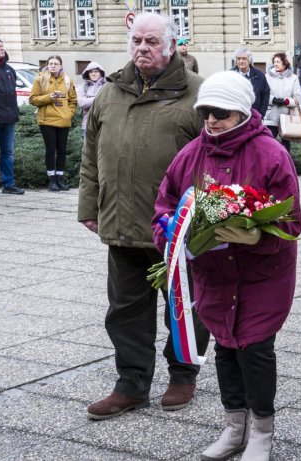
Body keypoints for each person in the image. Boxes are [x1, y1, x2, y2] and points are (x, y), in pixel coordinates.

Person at [152, 71, 301, 461]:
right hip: (214, 275)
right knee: (224, 346)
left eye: (221, 112)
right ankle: (235, 427)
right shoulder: (191, 154)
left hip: (261, 275)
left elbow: (291, 221)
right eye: (206, 113)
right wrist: (171, 236)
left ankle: (262, 433)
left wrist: (254, 233)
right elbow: (165, 206)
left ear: (241, 112)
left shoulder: (271, 154)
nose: (212, 121)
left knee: (254, 348)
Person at [78, 12, 210, 421]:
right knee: (124, 311)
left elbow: (217, 158)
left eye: (152, 41)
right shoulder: (110, 92)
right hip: (121, 224)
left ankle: (183, 374)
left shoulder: (196, 92)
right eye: (137, 40)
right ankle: (131, 385)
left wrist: (209, 220)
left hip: (176, 230)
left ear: (171, 45)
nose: (142, 49)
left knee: (185, 308)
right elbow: (90, 155)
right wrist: (89, 206)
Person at [29, 55, 77, 192]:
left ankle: (60, 178)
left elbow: (73, 100)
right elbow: (32, 99)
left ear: (61, 65)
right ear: (47, 65)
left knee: (62, 150)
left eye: (56, 63)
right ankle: (52, 180)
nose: (53, 66)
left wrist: (69, 113)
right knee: (50, 150)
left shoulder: (67, 80)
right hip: (46, 120)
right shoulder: (40, 79)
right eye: (51, 63)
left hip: (64, 120)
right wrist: (49, 97)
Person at [0, 37, 24, 196]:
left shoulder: (9, 69)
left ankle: (8, 184)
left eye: (3, 46)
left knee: (8, 153)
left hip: (9, 119)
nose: (2, 48)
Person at [264, 52, 301, 154]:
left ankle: (286, 168)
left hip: (287, 117)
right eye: (274, 62)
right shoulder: (267, 77)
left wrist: (287, 101)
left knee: (286, 147)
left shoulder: (293, 78)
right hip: (271, 116)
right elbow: (263, 96)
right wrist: (274, 100)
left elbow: (297, 99)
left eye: (278, 62)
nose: (275, 64)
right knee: (268, 144)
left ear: (285, 63)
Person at [232, 46, 270, 119]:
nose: (241, 61)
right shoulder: (230, 75)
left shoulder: (259, 75)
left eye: (244, 58)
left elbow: (265, 95)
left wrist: (260, 114)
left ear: (249, 60)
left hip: (254, 117)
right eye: (238, 59)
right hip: (235, 118)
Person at [76, 62, 106, 138]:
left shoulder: (106, 86)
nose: (93, 74)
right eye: (91, 72)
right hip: (86, 125)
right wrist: (99, 97)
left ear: (101, 73)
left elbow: (107, 102)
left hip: (103, 125)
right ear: (88, 74)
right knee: (87, 149)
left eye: (96, 71)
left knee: (102, 149)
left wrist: (88, 98)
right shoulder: (83, 87)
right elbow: (82, 103)